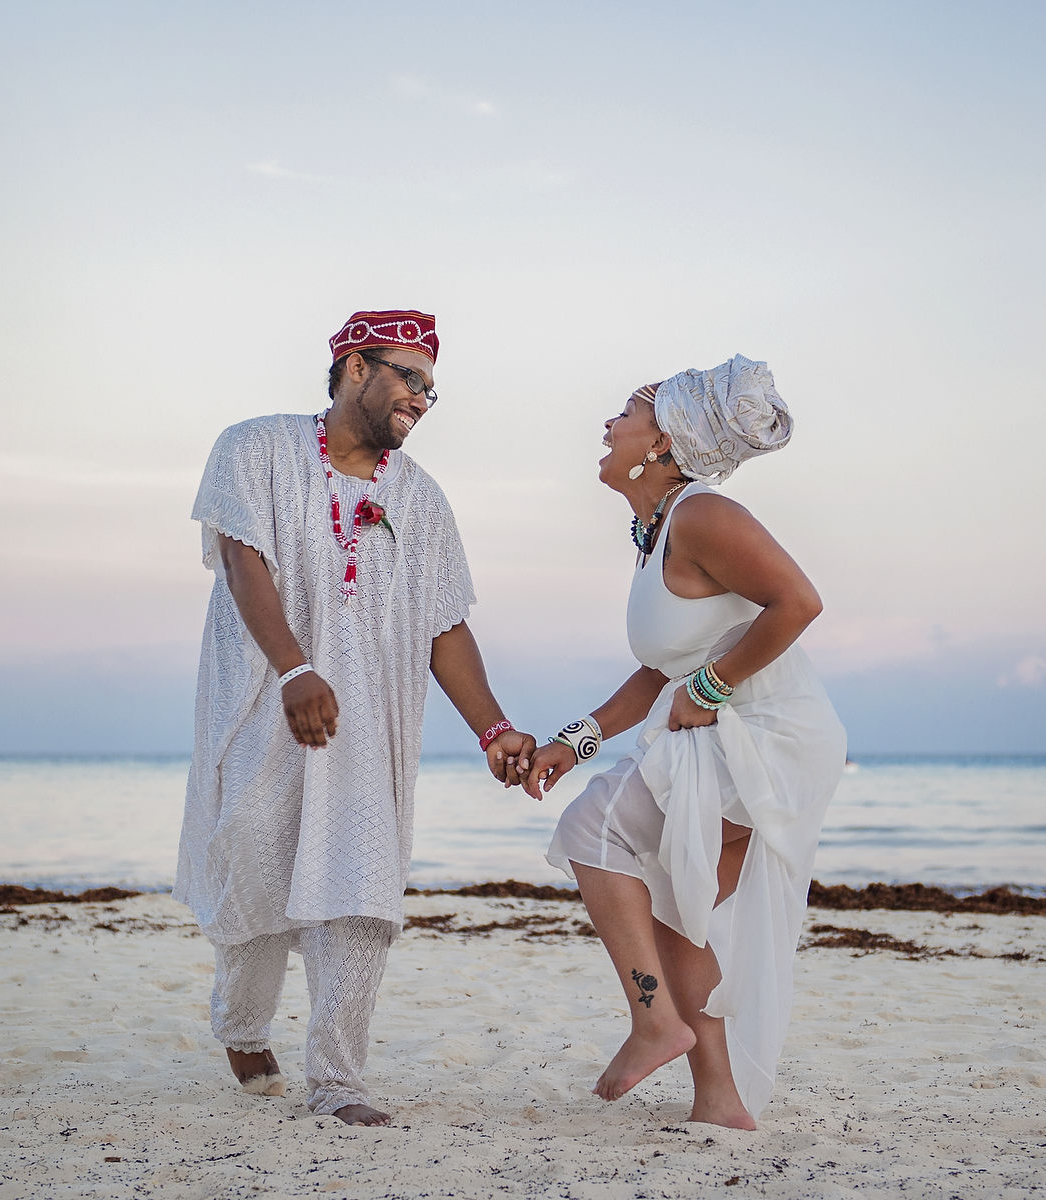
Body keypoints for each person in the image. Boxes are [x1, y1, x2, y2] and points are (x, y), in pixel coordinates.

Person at [174, 309, 536, 1126]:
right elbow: (242, 557)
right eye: (409, 377)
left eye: (431, 390)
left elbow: (444, 622)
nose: (421, 399)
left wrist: (493, 728)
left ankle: (339, 1082)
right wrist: (295, 668)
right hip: (261, 708)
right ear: (352, 367)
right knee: (255, 876)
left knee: (361, 894)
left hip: (368, 730)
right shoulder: (255, 448)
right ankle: (240, 1023)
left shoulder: (423, 499)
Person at [525, 355, 847, 1130]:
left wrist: (709, 690)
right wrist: (576, 741)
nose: (608, 425)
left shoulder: (704, 515)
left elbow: (798, 602)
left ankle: (653, 1024)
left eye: (626, 414)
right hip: (723, 729)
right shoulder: (657, 530)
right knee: (675, 909)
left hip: (765, 738)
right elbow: (657, 670)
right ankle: (721, 1102)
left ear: (663, 444)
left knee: (592, 831)